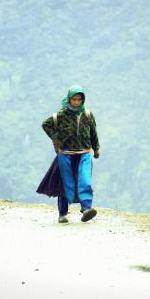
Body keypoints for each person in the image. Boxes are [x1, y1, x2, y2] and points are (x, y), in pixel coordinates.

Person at [38, 85, 100, 223]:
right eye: (74, 99)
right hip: (65, 154)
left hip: (84, 153)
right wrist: (56, 140)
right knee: (65, 184)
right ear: (69, 99)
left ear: (83, 100)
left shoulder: (87, 115)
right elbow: (45, 125)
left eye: (79, 99)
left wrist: (96, 149)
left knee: (85, 180)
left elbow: (93, 133)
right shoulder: (60, 115)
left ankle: (86, 209)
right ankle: (62, 214)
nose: (77, 102)